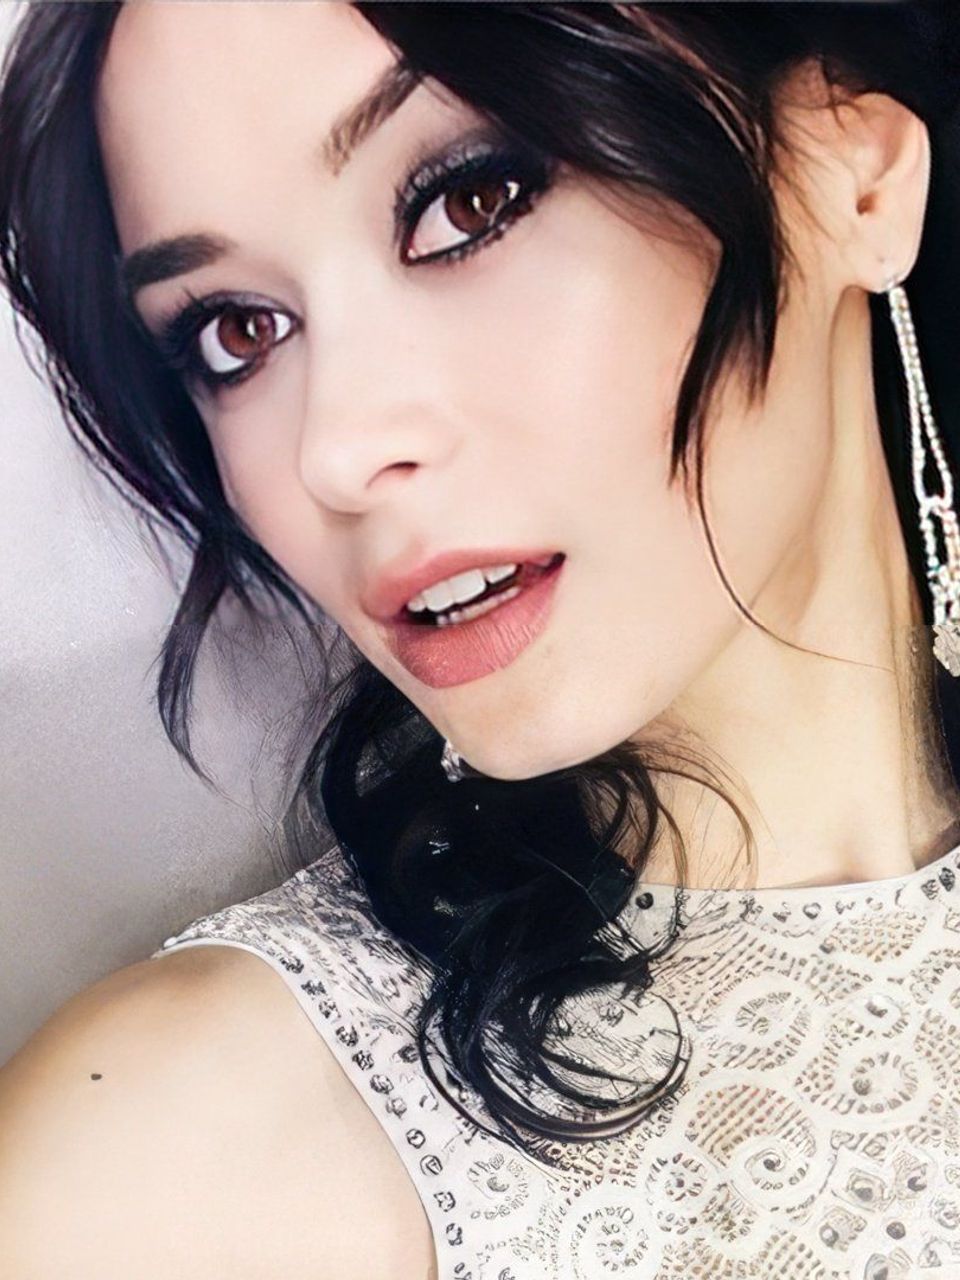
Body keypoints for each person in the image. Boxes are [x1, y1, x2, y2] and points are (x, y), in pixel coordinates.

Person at [1, 1, 960, 1275]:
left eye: (469, 203)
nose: (334, 448)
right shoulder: (176, 1164)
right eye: (237, 331)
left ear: (855, 174)